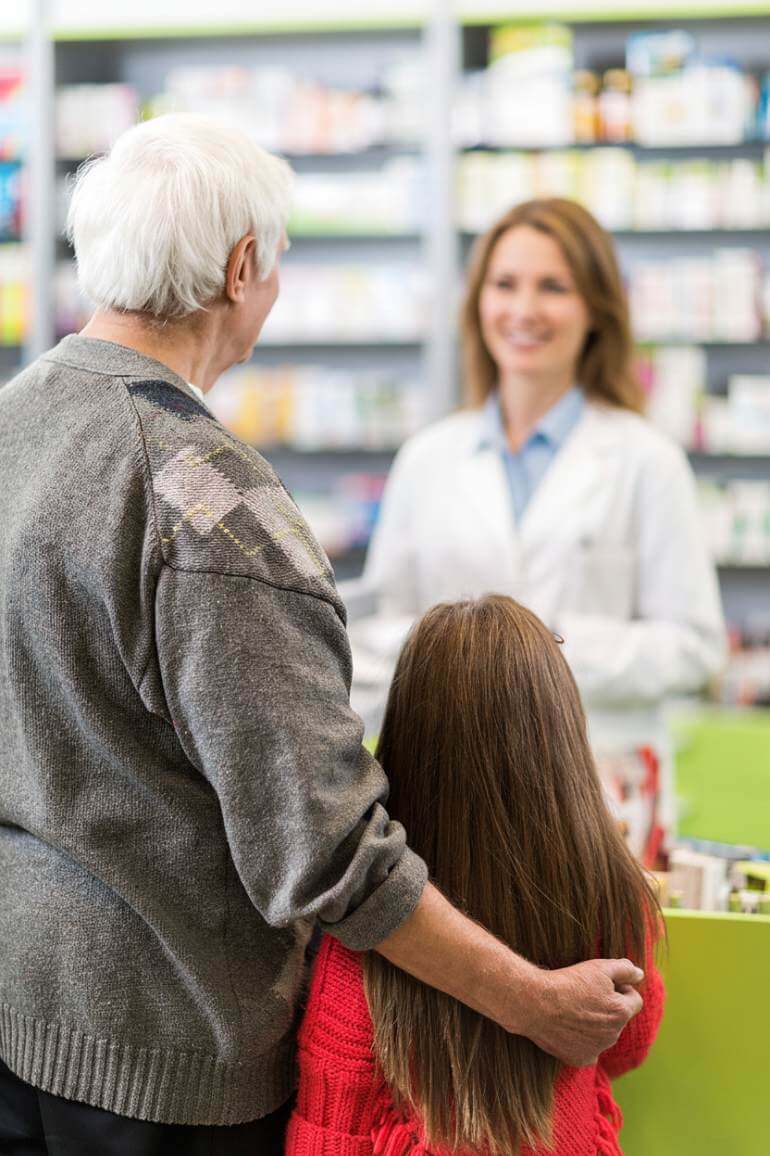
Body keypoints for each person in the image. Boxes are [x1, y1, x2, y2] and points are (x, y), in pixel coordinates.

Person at [0, 119, 645, 1155]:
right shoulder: (210, 502)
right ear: (241, 268)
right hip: (161, 1063)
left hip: (19, 1014)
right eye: (278, 259)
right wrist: (532, 1001)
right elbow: (328, 854)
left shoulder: (14, 427)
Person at [355, 198, 726, 824]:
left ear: (596, 309)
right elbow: (385, 625)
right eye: (504, 284)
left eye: (553, 287)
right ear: (478, 302)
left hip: (600, 788)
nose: (524, 310)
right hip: (448, 778)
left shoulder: (647, 460)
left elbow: (696, 646)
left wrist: (548, 647)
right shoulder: (428, 458)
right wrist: (456, 656)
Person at [288, 595, 666, 1155]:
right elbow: (629, 1039)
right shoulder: (608, 889)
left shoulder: (361, 934)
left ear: (406, 731)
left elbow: (328, 1130)